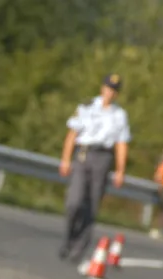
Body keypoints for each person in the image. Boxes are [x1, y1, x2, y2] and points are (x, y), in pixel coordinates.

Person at [57, 73, 131, 261]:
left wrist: (120, 170)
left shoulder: (119, 115)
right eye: (108, 88)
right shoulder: (87, 106)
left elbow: (121, 143)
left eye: (114, 91)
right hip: (83, 154)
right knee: (74, 201)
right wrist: (65, 159)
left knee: (92, 203)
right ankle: (68, 237)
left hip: (103, 157)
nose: (110, 93)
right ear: (102, 88)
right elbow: (72, 134)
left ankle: (79, 246)